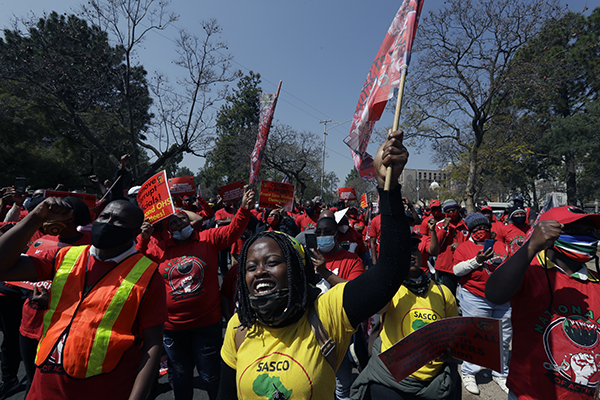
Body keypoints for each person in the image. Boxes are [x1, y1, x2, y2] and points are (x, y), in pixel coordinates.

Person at [217, 130, 412, 400]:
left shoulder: (327, 311)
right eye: (251, 267)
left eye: (272, 262)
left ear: (296, 270)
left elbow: (389, 271)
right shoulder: (239, 326)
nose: (260, 271)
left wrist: (386, 184)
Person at [0, 198, 167, 400]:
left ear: (134, 233)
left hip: (104, 388)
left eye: (118, 221)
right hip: (45, 386)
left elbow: (153, 344)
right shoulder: (64, 256)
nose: (107, 223)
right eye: (105, 216)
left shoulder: (147, 275)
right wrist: (35, 218)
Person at [136, 187, 255, 400]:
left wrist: (244, 209)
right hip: (173, 328)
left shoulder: (207, 239)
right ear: (167, 229)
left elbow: (234, 230)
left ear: (190, 222)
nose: (178, 223)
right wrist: (143, 238)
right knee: (180, 377)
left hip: (206, 325)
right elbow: (136, 261)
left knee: (210, 375)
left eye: (182, 219)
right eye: (172, 222)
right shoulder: (160, 249)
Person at [486, 206, 600, 400]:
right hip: (529, 394)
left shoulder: (596, 282)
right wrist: (530, 247)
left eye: (591, 231)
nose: (586, 236)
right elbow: (495, 294)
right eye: (575, 230)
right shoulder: (529, 273)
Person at [351, 234, 459, 400]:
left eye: (413, 249)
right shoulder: (392, 290)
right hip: (391, 379)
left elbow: (453, 333)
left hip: (435, 380)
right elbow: (379, 307)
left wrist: (451, 351)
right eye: (403, 251)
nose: (410, 254)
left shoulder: (443, 293)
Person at [452, 212, 511, 395]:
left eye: (484, 227)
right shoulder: (463, 247)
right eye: (476, 228)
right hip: (475, 296)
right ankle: (470, 372)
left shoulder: (502, 246)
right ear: (470, 231)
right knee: (476, 335)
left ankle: (500, 372)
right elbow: (456, 270)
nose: (481, 231)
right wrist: (477, 261)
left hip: (502, 298)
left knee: (503, 337)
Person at [434, 199, 469, 295]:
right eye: (447, 212)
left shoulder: (466, 225)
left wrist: (461, 246)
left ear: (458, 209)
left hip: (464, 266)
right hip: (446, 267)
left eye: (453, 210)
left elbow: (472, 243)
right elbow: (436, 243)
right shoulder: (439, 225)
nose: (450, 213)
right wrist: (445, 227)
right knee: (447, 295)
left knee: (466, 295)